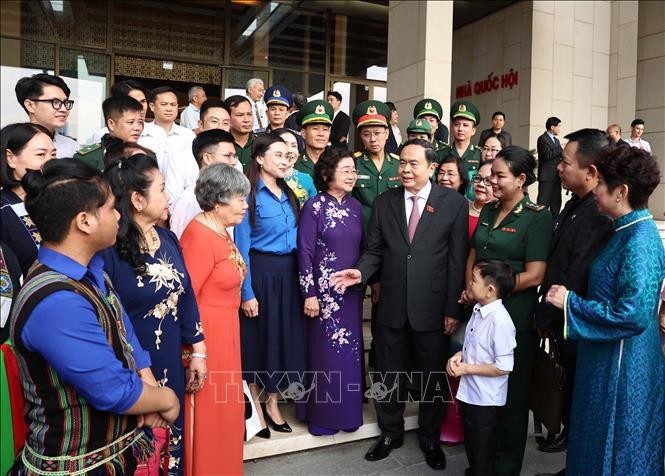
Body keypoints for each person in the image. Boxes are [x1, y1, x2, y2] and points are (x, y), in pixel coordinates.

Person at [9, 158, 179, 474]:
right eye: (113, 208)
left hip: (112, 454)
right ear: (85, 221)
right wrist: (166, 398)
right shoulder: (58, 301)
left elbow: (120, 326)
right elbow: (112, 391)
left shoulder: (89, 269)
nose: (119, 215)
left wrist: (146, 377)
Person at [332, 139, 469, 471]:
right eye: (402, 163)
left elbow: (456, 260)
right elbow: (376, 250)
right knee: (387, 372)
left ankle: (429, 437)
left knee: (431, 376)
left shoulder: (453, 203)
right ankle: (389, 432)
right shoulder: (384, 202)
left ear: (431, 167)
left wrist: (453, 309)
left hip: (434, 308)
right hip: (391, 304)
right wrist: (360, 272)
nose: (405, 170)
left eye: (413, 164)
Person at [545, 146, 664, 476]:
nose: (595, 188)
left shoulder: (639, 239)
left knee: (618, 445)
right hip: (607, 357)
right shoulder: (624, 229)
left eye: (602, 183)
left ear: (621, 191)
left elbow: (634, 314)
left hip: (623, 365)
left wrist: (571, 302)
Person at [102, 153, 206, 476]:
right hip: (132, 368)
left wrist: (199, 350)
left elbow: (186, 296)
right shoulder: (108, 252)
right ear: (137, 199)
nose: (169, 197)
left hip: (171, 360)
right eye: (162, 189)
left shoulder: (168, 238)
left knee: (171, 448)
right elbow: (111, 319)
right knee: (139, 450)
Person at [462, 145, 552, 476]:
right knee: (480, 390)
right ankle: (481, 463)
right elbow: (475, 252)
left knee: (511, 397)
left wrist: (492, 291)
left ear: (521, 179)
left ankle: (505, 467)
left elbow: (535, 274)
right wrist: (471, 287)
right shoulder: (488, 210)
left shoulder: (537, 216)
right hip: (479, 311)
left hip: (512, 314)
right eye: (490, 175)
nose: (492, 182)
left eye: (500, 175)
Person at [533, 129, 614, 460]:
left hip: (576, 321)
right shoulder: (576, 203)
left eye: (565, 162)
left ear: (591, 171)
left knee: (578, 395)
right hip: (563, 317)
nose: (558, 169)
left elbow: (576, 272)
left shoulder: (598, 213)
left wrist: (546, 314)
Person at [180, 164, 250, 476]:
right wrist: (198, 349)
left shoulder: (220, 230)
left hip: (227, 332)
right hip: (208, 336)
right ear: (218, 201)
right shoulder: (198, 236)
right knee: (210, 412)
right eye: (240, 198)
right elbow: (187, 297)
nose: (245, 204)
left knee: (225, 410)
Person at [235, 133, 305, 439]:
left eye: (288, 155)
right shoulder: (248, 196)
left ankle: (274, 402)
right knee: (258, 340)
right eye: (278, 154)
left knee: (283, 338)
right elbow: (241, 248)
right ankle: (258, 409)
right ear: (260, 158)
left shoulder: (290, 193)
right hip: (260, 272)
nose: (285, 159)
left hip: (289, 274)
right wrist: (246, 292)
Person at [296, 147, 364, 436]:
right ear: (326, 174)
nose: (352, 175)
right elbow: (304, 252)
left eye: (353, 170)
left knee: (349, 355)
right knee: (325, 354)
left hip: (350, 292)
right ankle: (322, 416)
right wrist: (309, 293)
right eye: (345, 170)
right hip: (322, 295)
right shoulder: (314, 206)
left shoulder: (357, 207)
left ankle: (347, 414)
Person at [448, 259, 517, 476]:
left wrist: (466, 369)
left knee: (483, 450)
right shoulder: (479, 310)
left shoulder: (501, 322)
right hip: (471, 393)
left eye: (474, 280)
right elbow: (476, 346)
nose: (469, 283)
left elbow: (504, 367)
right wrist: (459, 356)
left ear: (489, 290)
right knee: (473, 447)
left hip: (486, 400)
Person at [0, 123, 56, 274]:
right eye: (40, 154)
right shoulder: (4, 210)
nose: (50, 162)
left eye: (53, 154)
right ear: (10, 158)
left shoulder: (57, 201)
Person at [170, 129, 240, 239]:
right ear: (207, 158)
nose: (233, 162)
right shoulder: (187, 200)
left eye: (234, 156)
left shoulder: (231, 196)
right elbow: (179, 243)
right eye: (227, 156)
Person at [138, 86, 198, 206]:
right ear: (152, 106)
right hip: (147, 197)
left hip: (180, 198)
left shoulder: (188, 136)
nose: (169, 109)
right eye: (164, 104)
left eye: (173, 104)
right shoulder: (141, 133)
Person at [351, 100, 401, 229]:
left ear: (387, 133)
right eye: (366, 134)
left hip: (392, 231)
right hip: (362, 231)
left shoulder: (399, 164)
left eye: (377, 133)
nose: (373, 139)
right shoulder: (353, 164)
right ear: (361, 136)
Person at [14, 73, 79, 158]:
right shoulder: (11, 143)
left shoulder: (72, 148)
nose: (64, 109)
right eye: (55, 102)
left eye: (66, 102)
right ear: (30, 105)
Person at [74, 95, 144, 171]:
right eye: (130, 122)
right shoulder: (88, 158)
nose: (137, 128)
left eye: (140, 122)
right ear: (111, 124)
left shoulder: (146, 154)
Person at [440, 100, 482, 199]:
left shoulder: (480, 154)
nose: (460, 129)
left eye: (465, 125)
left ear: (473, 130)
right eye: (456, 124)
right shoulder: (441, 154)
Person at [274, 127, 317, 207]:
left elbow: (315, 211)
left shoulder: (306, 179)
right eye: (285, 144)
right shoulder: (260, 179)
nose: (290, 150)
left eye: (294, 146)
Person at [294, 100, 334, 177]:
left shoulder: (337, 163)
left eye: (325, 129)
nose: (321, 134)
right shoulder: (294, 164)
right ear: (303, 133)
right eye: (315, 128)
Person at [536, 116, 563, 218]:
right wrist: (561, 149)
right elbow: (547, 155)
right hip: (546, 177)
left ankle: (554, 228)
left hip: (556, 177)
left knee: (556, 204)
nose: (560, 129)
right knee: (543, 204)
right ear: (552, 127)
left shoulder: (557, 141)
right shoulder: (542, 139)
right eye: (558, 126)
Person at [225, 95, 255, 172]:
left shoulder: (261, 144)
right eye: (240, 115)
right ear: (227, 118)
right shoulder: (220, 145)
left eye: (249, 114)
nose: (246, 120)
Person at [468, 161, 495, 239]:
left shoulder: (501, 215)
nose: (480, 184)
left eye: (488, 180)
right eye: (477, 178)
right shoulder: (461, 206)